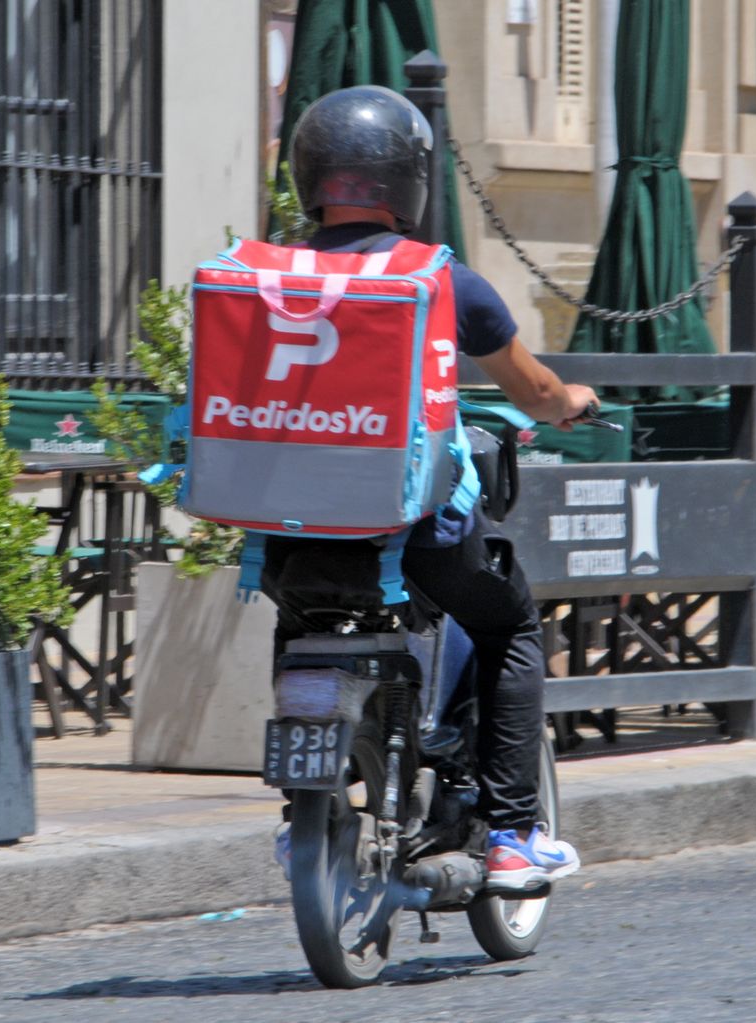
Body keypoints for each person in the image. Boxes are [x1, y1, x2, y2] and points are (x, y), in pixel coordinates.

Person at [267, 84, 598, 891]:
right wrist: (572, 405)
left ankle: (301, 821)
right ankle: (515, 834)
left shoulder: (269, 277)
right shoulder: (440, 281)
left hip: (286, 536)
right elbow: (536, 394)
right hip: (413, 536)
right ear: (409, 184)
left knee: (302, 618)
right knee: (512, 626)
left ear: (311, 175)